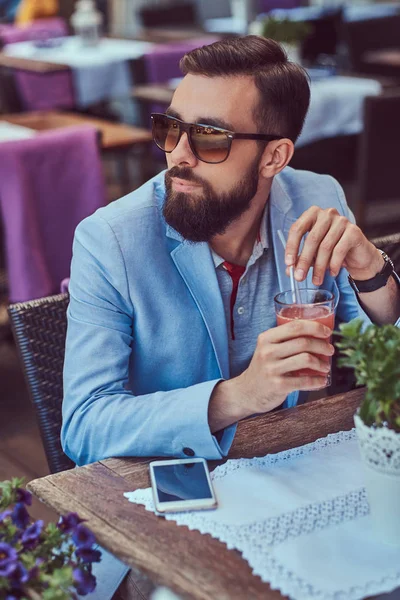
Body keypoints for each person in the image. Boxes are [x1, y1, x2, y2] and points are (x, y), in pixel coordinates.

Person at [62, 36, 400, 599]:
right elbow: (84, 426)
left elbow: (385, 363)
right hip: (163, 512)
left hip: (298, 480)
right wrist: (239, 395)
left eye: (209, 137)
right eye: (171, 128)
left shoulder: (318, 199)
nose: (178, 154)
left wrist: (372, 273)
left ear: (275, 157)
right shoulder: (110, 240)